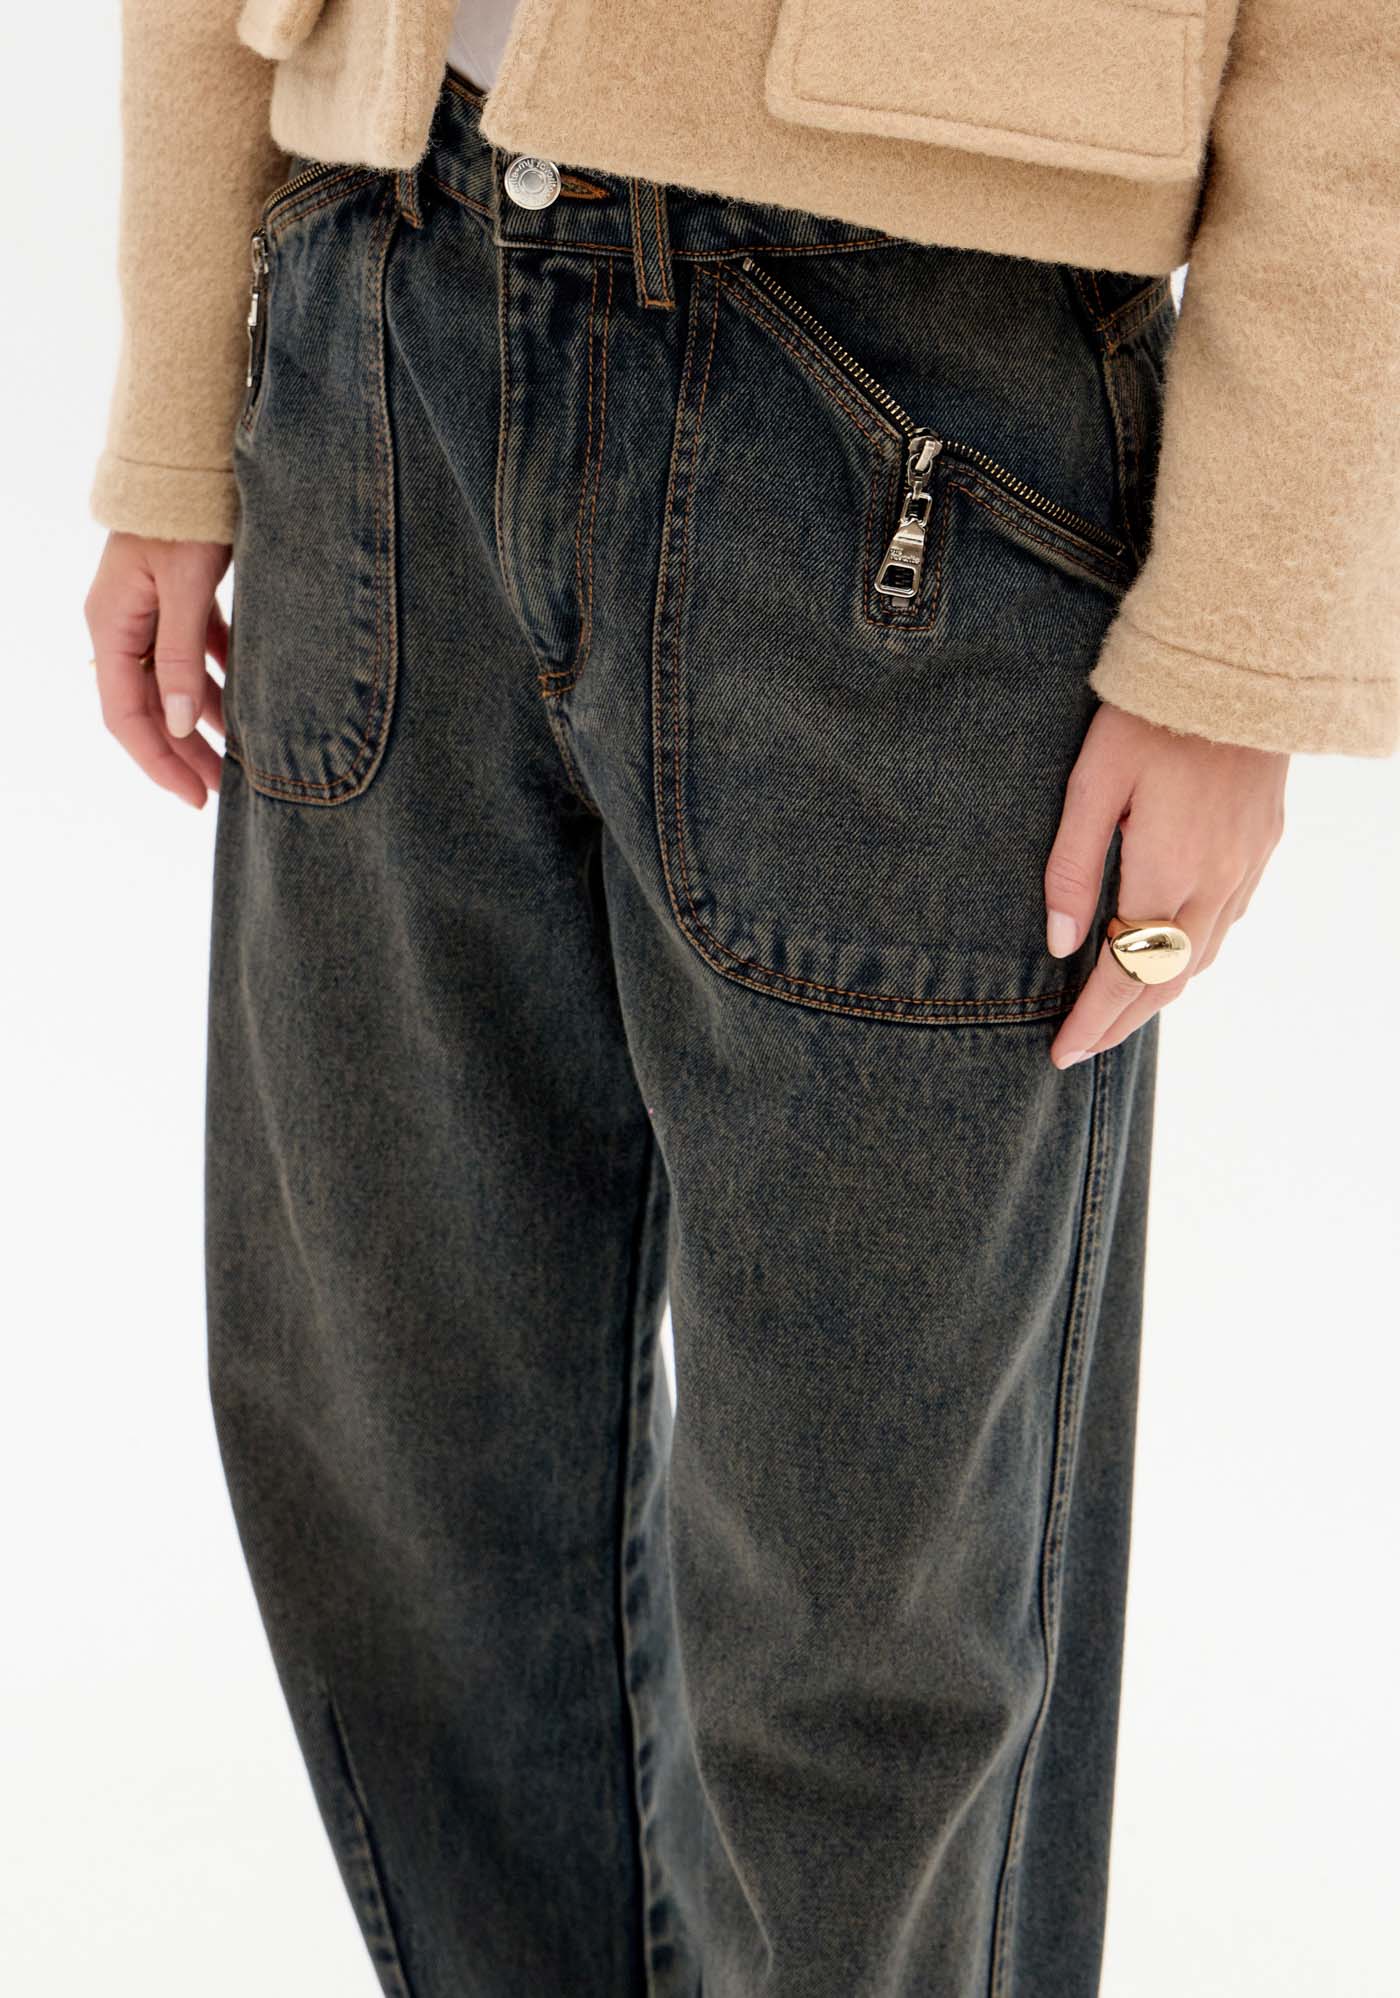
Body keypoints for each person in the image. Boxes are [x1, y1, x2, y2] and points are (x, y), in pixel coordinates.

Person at [82, 4, 1396, 1995]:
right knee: (403, 1492)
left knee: (872, 1609)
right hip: (383, 286)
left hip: (902, 377)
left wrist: (1243, 632)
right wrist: (181, 400)